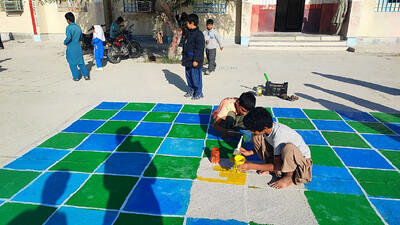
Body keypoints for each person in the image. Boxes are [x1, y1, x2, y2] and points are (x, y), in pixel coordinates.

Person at [238, 107, 312, 189]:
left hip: (301, 164)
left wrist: (250, 166)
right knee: (257, 137)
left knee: (288, 148)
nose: (251, 132)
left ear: (265, 128)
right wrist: (250, 152)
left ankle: (289, 177)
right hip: (284, 159)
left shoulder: (279, 135)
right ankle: (270, 166)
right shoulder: (269, 129)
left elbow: (278, 166)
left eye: (253, 130)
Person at [182, 14, 205, 100]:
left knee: (196, 77)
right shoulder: (188, 33)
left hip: (194, 60)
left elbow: (199, 49)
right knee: (188, 76)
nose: (186, 24)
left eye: (187, 23)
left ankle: (198, 92)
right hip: (187, 59)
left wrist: (196, 60)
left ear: (192, 23)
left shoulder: (199, 35)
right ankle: (191, 90)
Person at [64, 12, 89, 81]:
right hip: (78, 47)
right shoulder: (78, 27)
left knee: (72, 63)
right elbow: (81, 37)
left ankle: (76, 77)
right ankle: (86, 75)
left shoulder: (68, 28)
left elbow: (69, 37)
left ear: (68, 20)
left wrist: (65, 42)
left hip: (71, 47)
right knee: (81, 62)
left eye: (66, 20)